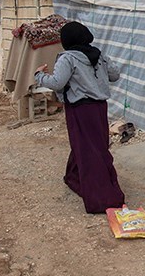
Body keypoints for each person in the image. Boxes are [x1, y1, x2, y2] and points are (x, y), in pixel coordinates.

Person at [34, 21, 125, 214]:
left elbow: (58, 83)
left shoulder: (67, 58)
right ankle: (74, 178)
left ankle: (103, 198)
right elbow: (115, 75)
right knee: (94, 146)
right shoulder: (98, 54)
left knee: (88, 151)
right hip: (100, 108)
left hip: (80, 110)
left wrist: (39, 76)